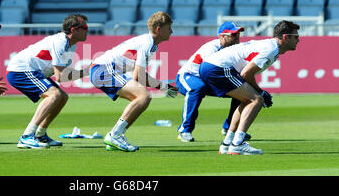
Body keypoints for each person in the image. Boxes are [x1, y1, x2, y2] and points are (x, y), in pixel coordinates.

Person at [199, 20, 300, 155]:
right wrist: (260, 92)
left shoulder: (270, 46)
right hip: (217, 67)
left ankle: (227, 143)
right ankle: (238, 143)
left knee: (248, 100)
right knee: (256, 100)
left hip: (210, 66)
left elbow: (246, 73)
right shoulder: (271, 48)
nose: (298, 40)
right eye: (296, 37)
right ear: (285, 37)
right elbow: (246, 73)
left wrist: (258, 91)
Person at [89, 11, 178, 152]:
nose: (172, 31)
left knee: (140, 97)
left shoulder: (151, 43)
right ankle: (115, 135)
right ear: (159, 29)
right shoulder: (148, 43)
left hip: (102, 70)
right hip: (104, 70)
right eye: (169, 28)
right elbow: (139, 77)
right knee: (143, 96)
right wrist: (163, 86)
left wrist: (163, 86)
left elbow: (140, 75)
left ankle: (117, 137)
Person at [6, 14, 90, 149]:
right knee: (54, 95)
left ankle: (40, 134)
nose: (88, 30)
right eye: (85, 27)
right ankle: (26, 136)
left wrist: (85, 72)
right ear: (74, 30)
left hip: (32, 71)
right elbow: (60, 76)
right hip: (19, 70)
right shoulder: (61, 42)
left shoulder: (70, 45)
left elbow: (64, 74)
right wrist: (85, 72)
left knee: (62, 97)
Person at [176, 21, 246, 142]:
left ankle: (230, 128)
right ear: (223, 36)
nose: (237, 38)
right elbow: (205, 72)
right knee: (197, 88)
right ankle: (185, 130)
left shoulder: (236, 50)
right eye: (234, 35)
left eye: (238, 34)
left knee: (243, 92)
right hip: (188, 76)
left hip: (209, 80)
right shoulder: (211, 48)